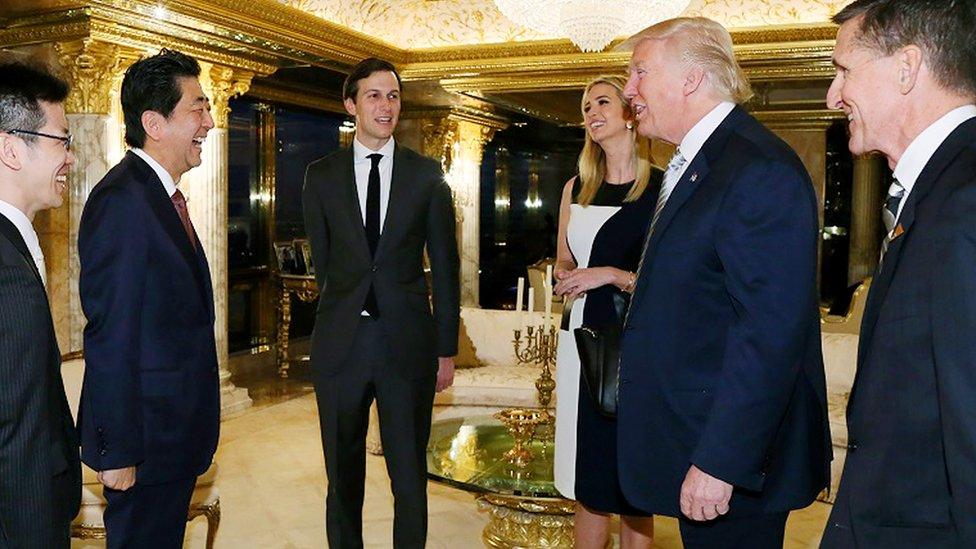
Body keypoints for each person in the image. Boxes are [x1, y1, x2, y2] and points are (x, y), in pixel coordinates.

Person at [617, 17, 831, 548]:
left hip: (734, 462)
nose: (628, 90)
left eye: (640, 72)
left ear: (691, 79)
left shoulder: (757, 168)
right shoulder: (701, 163)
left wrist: (721, 461)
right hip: (696, 437)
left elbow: (771, 335)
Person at [821, 1, 976, 547]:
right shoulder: (942, 187)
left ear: (907, 68)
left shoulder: (965, 199)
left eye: (843, 70)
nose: (832, 96)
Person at [302, 57, 459, 549]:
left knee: (409, 479)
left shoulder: (426, 175)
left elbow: (447, 266)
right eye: (374, 96)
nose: (386, 106)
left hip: (407, 347)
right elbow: (325, 266)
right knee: (342, 480)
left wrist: (446, 348)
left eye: (393, 96)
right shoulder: (320, 176)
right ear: (352, 105)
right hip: (342, 345)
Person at [78, 49, 219, 548]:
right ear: (154, 124)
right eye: (198, 108)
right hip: (144, 446)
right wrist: (116, 452)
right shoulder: (124, 201)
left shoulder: (157, 196)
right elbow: (110, 334)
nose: (210, 122)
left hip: (170, 440)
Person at [551, 75, 661, 548]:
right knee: (586, 474)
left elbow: (669, 282)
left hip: (630, 345)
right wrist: (564, 274)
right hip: (578, 339)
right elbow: (563, 259)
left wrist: (612, 274)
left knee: (632, 480)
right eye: (585, 106)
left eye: (602, 102)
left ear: (631, 114)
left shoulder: (661, 188)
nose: (591, 112)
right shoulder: (577, 187)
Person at [0, 60, 81, 549]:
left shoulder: (15, 243)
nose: (70, 158)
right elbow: (16, 434)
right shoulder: (8, 272)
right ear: (11, 148)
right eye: (62, 141)